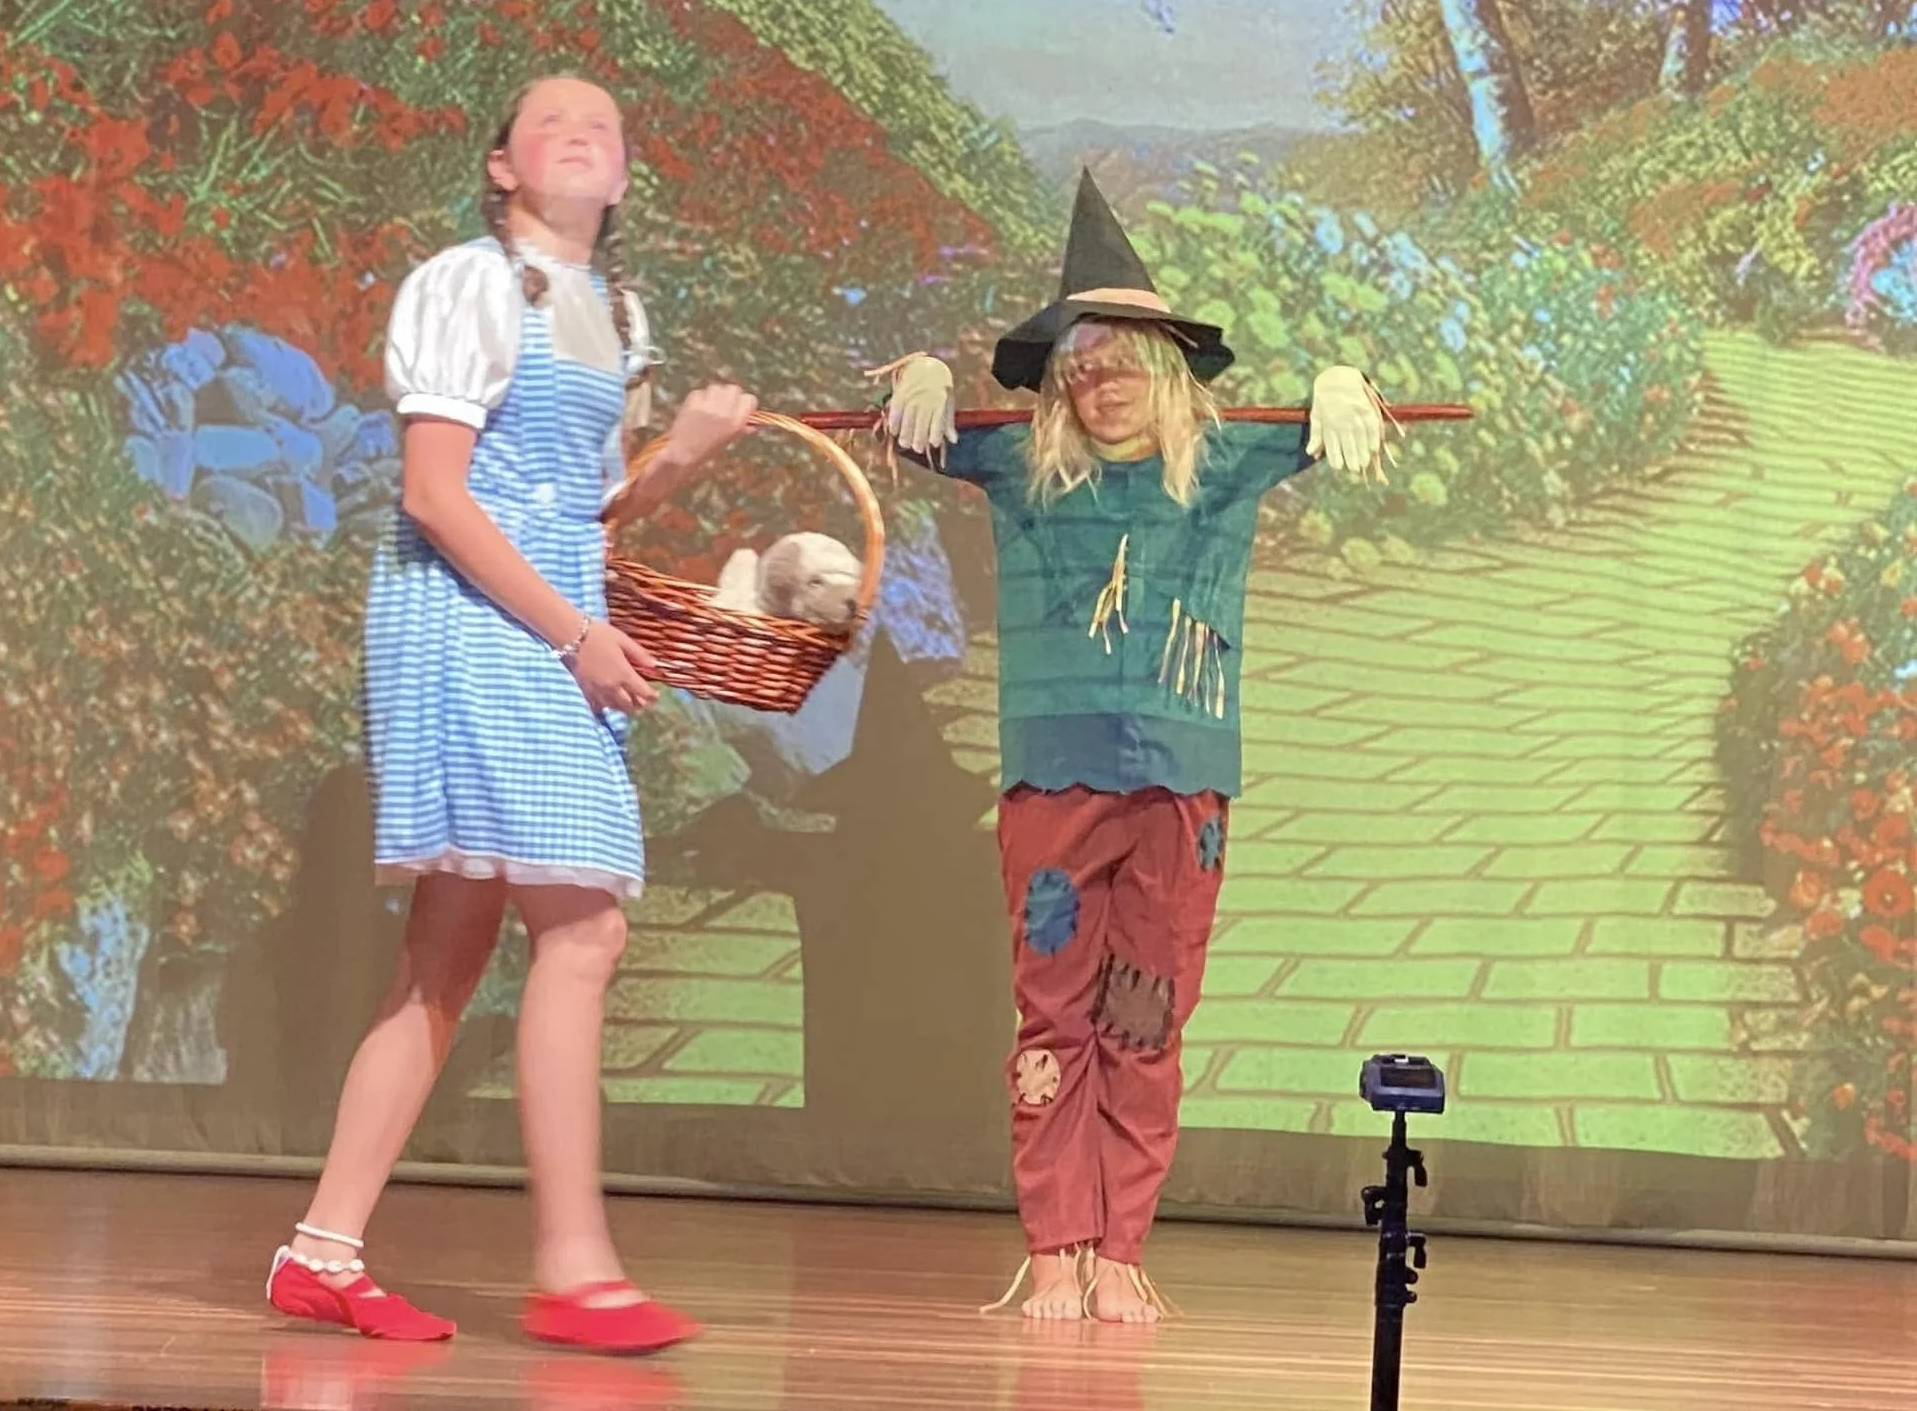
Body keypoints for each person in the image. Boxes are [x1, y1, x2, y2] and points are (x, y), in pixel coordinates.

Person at [263, 75, 756, 1353]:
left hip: (545, 611)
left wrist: (685, 454)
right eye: (550, 120)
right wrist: (577, 633)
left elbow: (587, 508)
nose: (583, 130)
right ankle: (575, 1265)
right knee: (582, 921)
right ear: (500, 166)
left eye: (605, 122)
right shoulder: (466, 284)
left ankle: (321, 1247)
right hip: (472, 618)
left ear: (626, 176)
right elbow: (437, 493)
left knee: (449, 949)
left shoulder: (614, 308)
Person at [878, 171, 1392, 1324]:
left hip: (1181, 780)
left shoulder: (1222, 462)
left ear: (1166, 368)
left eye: (1121, 362)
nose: (1101, 383)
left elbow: (1324, 426)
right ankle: (1053, 1242)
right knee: (1051, 1012)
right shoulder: (1018, 463)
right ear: (1060, 384)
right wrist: (919, 378)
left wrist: (1338, 380)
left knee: (1145, 1015)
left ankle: (1120, 1245)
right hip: (1051, 780)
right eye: (1080, 367)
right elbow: (912, 438)